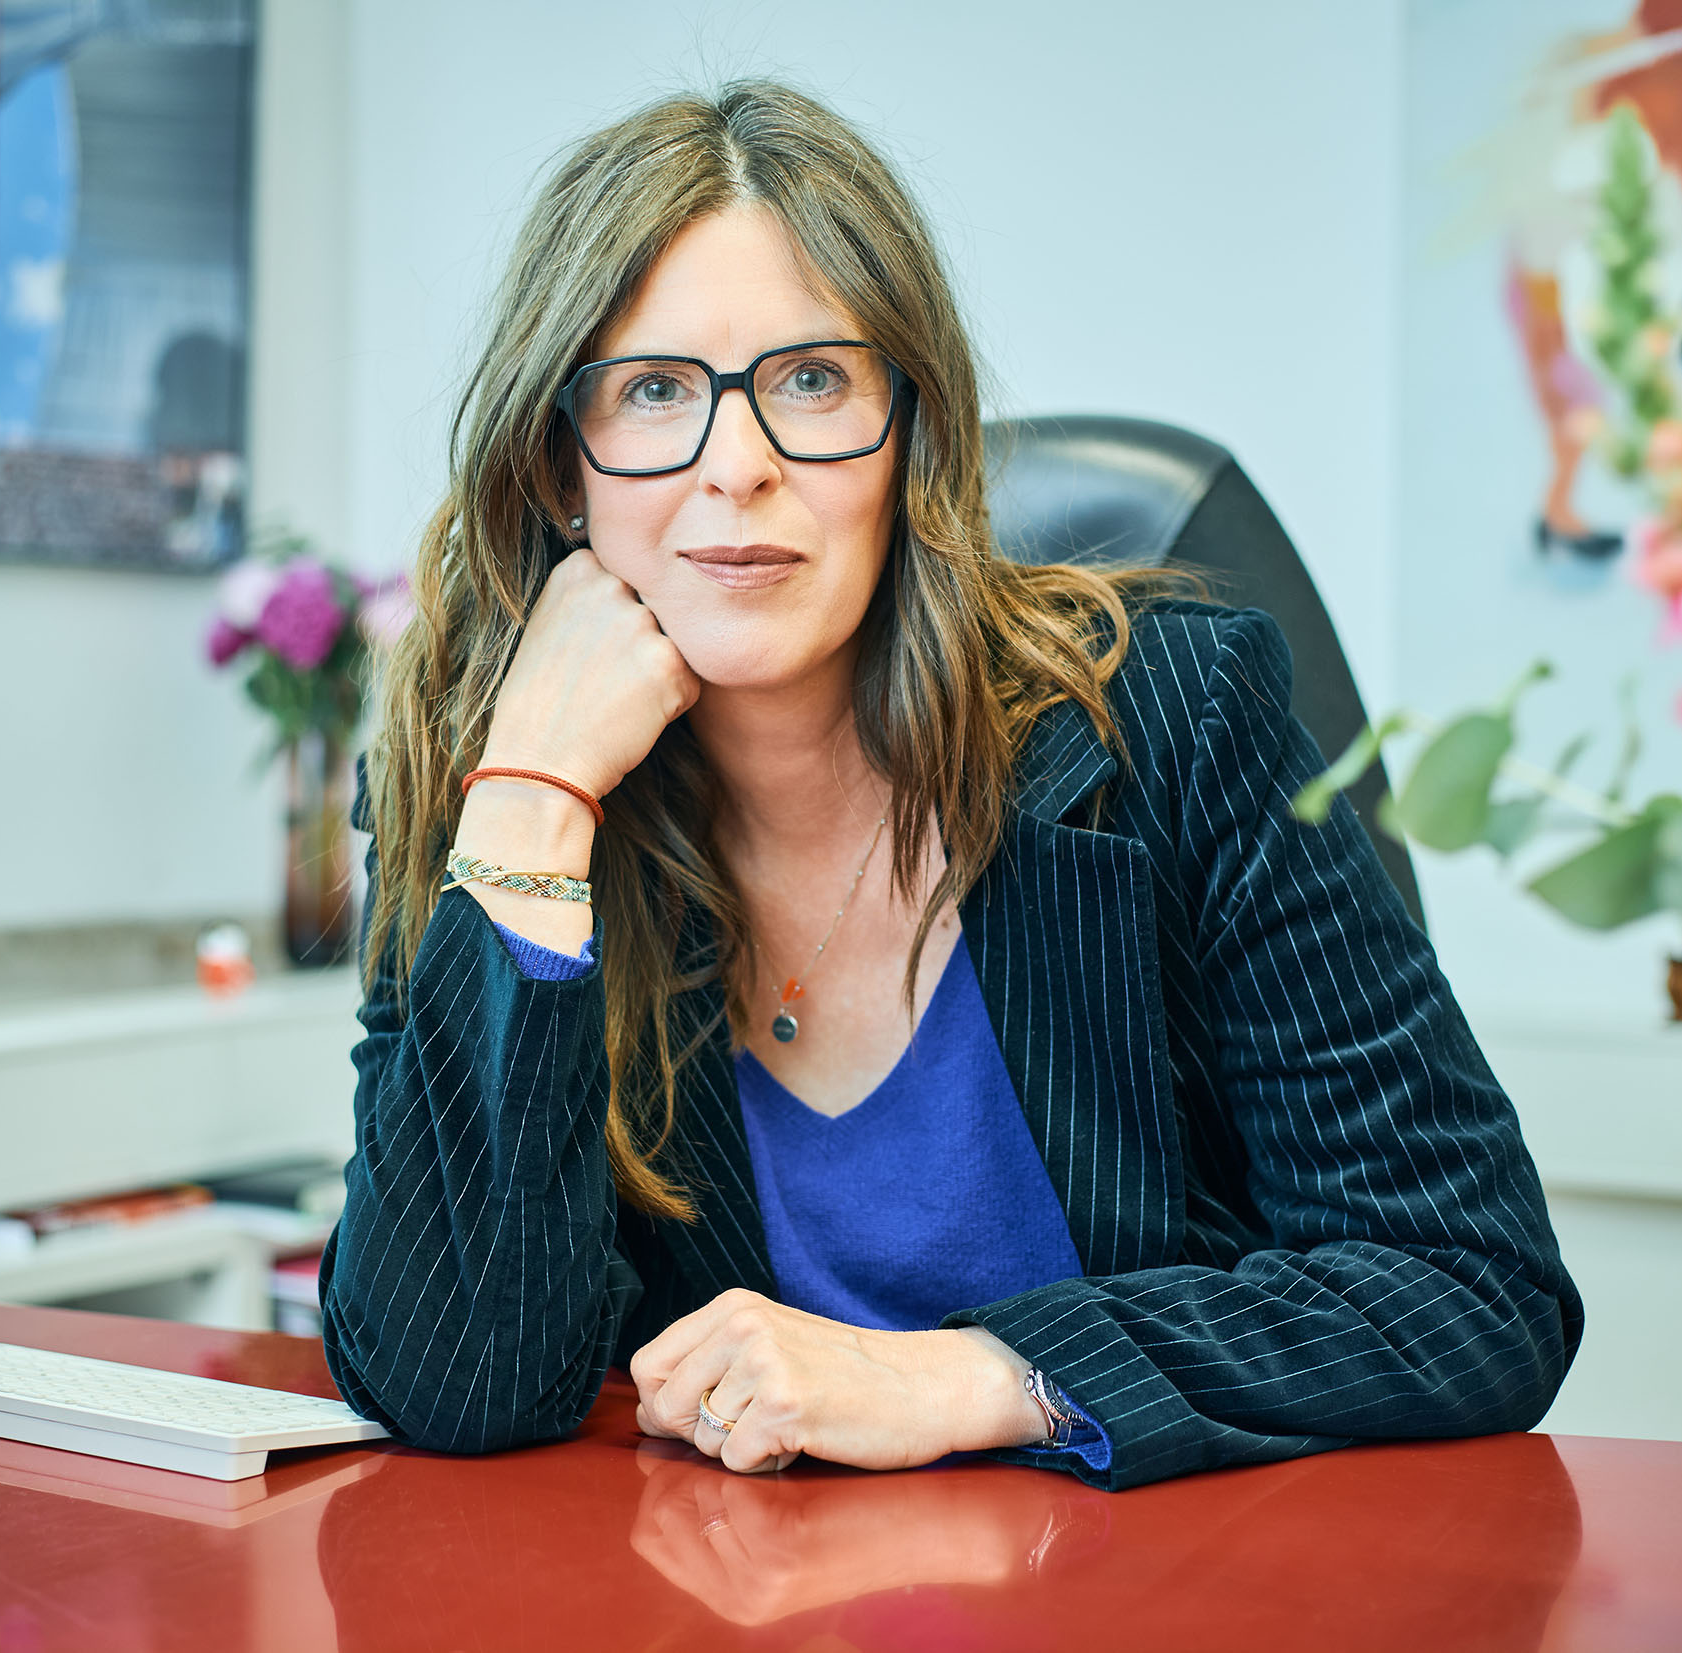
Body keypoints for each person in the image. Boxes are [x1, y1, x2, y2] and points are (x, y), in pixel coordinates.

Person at [319, 81, 1581, 1492]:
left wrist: (978, 1375)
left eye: (812, 381)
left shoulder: (1172, 723)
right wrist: (536, 797)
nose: (737, 468)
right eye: (655, 390)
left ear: (911, 432)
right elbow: (461, 1382)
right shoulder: (485, 792)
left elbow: (1470, 1284)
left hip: (1156, 1587)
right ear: (564, 464)